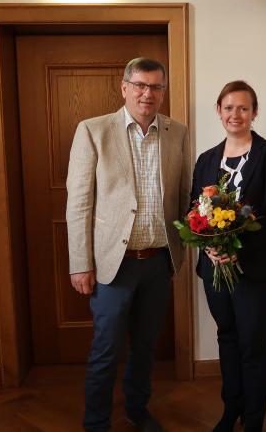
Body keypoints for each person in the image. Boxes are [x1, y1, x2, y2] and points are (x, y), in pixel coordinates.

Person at [66, 57, 191, 432]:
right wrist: (80, 263)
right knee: (105, 350)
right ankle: (96, 422)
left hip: (158, 261)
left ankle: (138, 409)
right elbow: (79, 202)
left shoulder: (177, 132)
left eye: (155, 87)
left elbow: (183, 194)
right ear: (124, 88)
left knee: (145, 346)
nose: (147, 93)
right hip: (112, 264)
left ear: (163, 92)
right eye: (139, 85)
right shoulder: (93, 130)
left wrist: (190, 244)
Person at [191, 81, 266, 432]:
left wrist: (238, 248)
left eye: (243, 108)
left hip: (256, 266)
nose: (235, 114)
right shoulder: (206, 159)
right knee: (227, 337)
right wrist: (207, 245)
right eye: (229, 107)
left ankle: (253, 418)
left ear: (254, 112)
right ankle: (230, 407)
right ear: (219, 111)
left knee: (252, 340)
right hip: (214, 267)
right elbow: (195, 211)